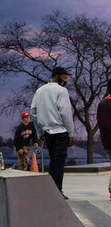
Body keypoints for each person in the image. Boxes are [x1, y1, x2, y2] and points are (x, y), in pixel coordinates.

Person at [30, 66, 75, 200]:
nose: (66, 80)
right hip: (60, 131)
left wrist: (40, 131)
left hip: (47, 132)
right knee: (59, 162)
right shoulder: (62, 91)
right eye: (64, 77)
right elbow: (66, 113)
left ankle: (51, 190)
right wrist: (71, 133)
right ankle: (57, 191)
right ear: (56, 76)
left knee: (53, 161)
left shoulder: (39, 91)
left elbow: (33, 112)